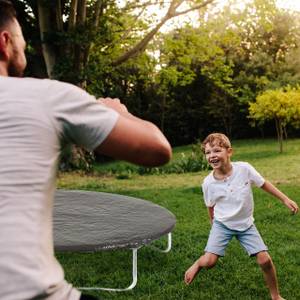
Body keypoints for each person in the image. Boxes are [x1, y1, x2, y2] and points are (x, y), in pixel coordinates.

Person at [0, 1, 172, 299]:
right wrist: (118, 112)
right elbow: (157, 149)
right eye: (21, 41)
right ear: (3, 42)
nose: (24, 49)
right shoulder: (45, 96)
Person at [184, 133, 298, 300]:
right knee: (210, 262)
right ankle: (198, 263)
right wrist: (213, 225)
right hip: (222, 224)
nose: (212, 156)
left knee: (265, 260)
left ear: (229, 152)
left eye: (216, 150)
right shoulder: (208, 183)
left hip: (245, 224)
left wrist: (285, 199)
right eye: (208, 153)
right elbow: (210, 206)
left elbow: (263, 183)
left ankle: (276, 296)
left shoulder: (244, 169)